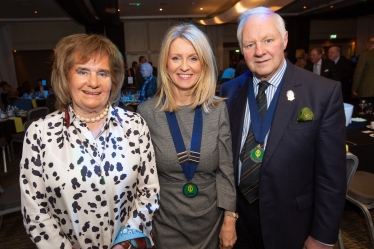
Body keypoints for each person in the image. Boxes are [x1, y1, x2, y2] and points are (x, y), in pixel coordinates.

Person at [220, 7, 346, 249]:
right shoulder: (230, 91)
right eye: (249, 45)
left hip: (293, 226)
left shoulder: (322, 93)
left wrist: (322, 237)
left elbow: (332, 178)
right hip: (240, 222)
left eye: (268, 40)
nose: (259, 51)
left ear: (285, 39)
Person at [20, 34, 160, 249]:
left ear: (113, 80)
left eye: (102, 73)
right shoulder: (39, 133)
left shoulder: (135, 125)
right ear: (66, 77)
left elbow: (149, 192)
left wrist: (124, 244)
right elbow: (35, 211)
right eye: (82, 71)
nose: (93, 83)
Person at [137, 23, 237, 249]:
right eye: (176, 58)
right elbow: (140, 179)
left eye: (193, 58)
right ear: (165, 63)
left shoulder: (218, 109)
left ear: (204, 63)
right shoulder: (146, 113)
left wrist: (230, 219)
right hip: (164, 225)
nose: (185, 67)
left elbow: (226, 171)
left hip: (212, 222)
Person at [352, 36, 374, 101]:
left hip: (368, 90)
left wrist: (354, 89)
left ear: (369, 44)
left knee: (366, 109)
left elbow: (359, 73)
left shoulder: (365, 55)